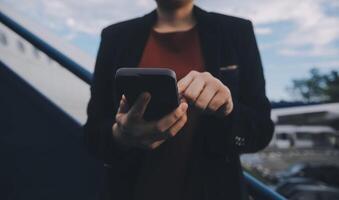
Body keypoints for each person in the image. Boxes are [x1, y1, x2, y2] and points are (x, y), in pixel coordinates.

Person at [83, 0, 274, 200]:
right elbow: (93, 133)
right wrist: (121, 136)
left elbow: (261, 130)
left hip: (214, 190)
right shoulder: (116, 37)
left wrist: (228, 109)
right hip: (130, 190)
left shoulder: (236, 32)